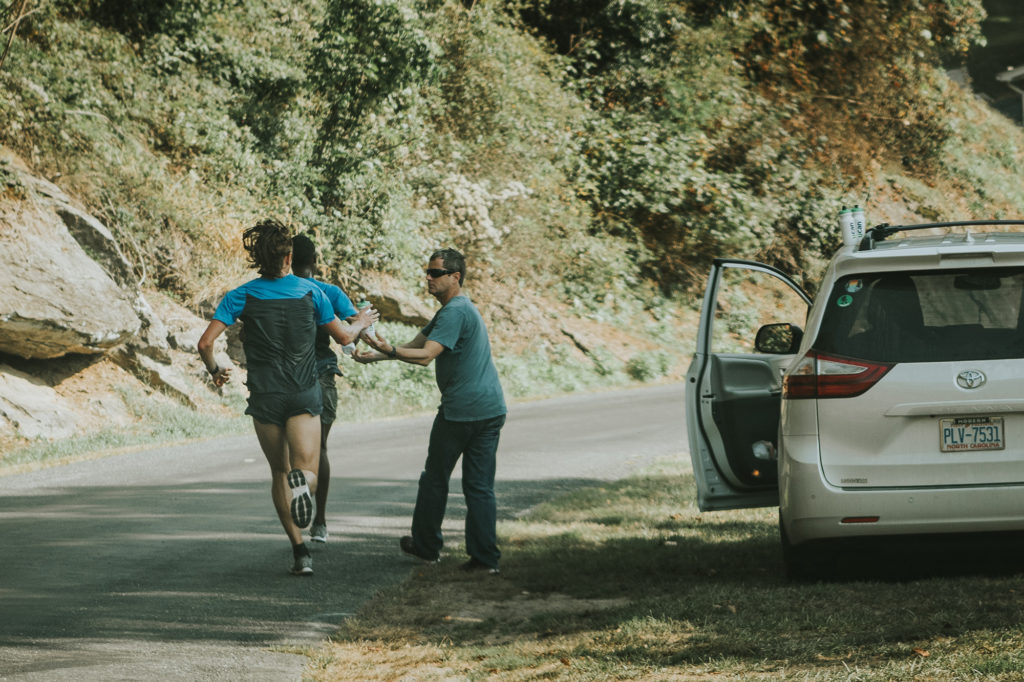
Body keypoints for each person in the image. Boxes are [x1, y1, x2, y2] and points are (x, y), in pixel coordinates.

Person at [197, 219, 378, 576]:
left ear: (259, 258)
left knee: (278, 471)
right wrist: (361, 321)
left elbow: (205, 343)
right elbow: (343, 337)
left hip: (265, 396)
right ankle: (304, 489)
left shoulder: (241, 295)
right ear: (289, 256)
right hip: (303, 392)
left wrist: (215, 370)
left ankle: (300, 552)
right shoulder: (314, 293)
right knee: (305, 470)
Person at [355, 248, 507, 574]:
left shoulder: (454, 312)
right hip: (491, 408)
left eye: (436, 273)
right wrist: (379, 355)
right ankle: (485, 559)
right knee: (479, 486)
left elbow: (425, 356)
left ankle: (426, 546)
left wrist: (390, 350)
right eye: (428, 271)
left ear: (455, 276)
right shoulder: (453, 310)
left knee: (435, 479)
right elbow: (414, 345)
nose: (428, 277)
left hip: (462, 411)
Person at [291, 233, 359, 544]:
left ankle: (298, 502)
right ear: (315, 261)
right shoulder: (328, 292)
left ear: (286, 260)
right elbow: (353, 330)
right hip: (321, 374)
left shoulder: (276, 291)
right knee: (320, 449)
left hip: (286, 377)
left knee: (292, 451)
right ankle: (320, 521)